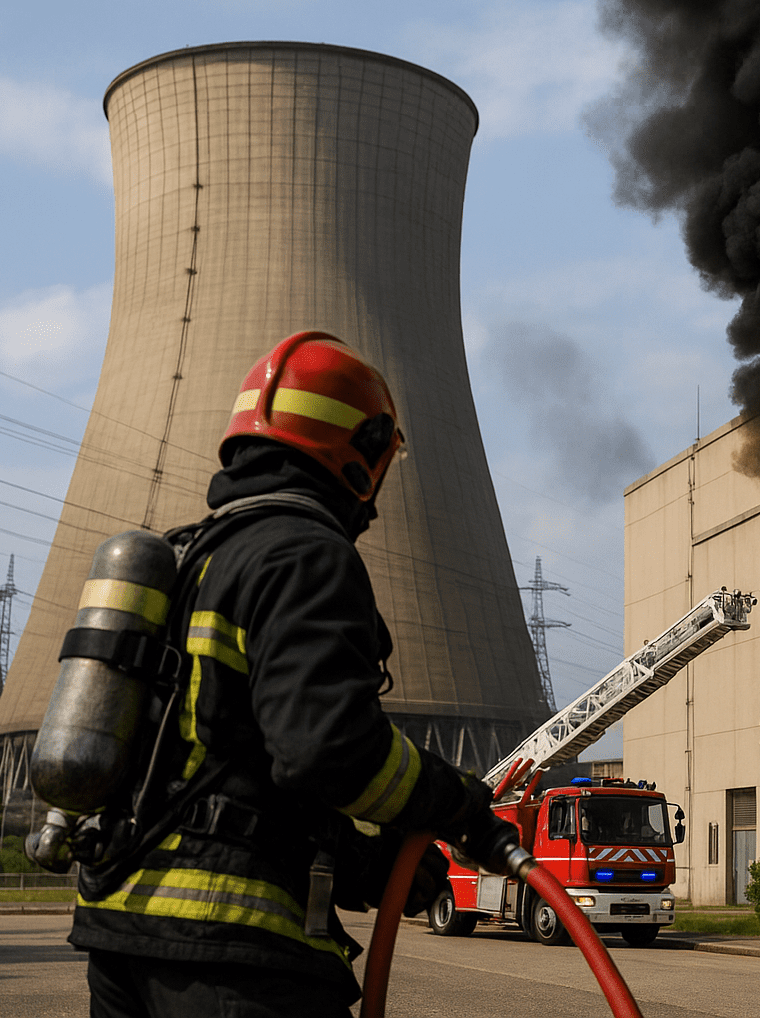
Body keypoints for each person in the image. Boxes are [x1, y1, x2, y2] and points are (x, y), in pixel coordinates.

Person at [68, 331, 516, 1017]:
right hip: (230, 954)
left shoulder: (189, 558)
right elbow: (325, 751)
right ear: (362, 454)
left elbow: (230, 764)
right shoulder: (307, 557)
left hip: (122, 930)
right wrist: (452, 800)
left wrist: (368, 870)